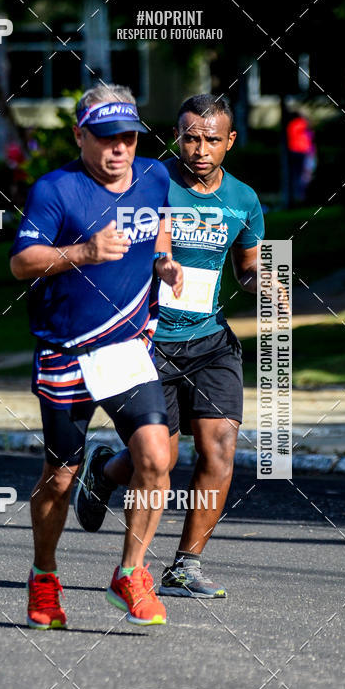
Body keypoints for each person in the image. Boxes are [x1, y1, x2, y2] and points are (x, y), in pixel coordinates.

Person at [74, 94, 265, 599]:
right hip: (148, 340)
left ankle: (185, 565)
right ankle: (103, 472)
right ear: (177, 137)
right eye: (190, 138)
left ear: (230, 141)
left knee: (219, 445)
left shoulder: (244, 199)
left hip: (210, 341)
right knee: (158, 455)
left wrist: (263, 283)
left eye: (211, 140)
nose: (200, 149)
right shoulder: (149, 184)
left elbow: (247, 268)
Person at [10, 83, 183, 629]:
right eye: (107, 138)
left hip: (126, 347)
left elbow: (159, 224)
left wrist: (164, 261)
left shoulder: (155, 176)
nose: (119, 149)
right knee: (61, 475)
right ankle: (44, 576)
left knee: (156, 456)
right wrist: (83, 251)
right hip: (66, 350)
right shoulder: (55, 190)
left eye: (128, 137)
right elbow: (21, 262)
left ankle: (130, 574)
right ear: (80, 136)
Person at [286, 111, 316, 205]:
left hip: (294, 151)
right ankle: (301, 196)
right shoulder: (299, 123)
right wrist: (304, 116)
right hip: (301, 152)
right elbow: (310, 123)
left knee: (297, 174)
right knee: (303, 175)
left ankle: (298, 195)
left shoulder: (290, 125)